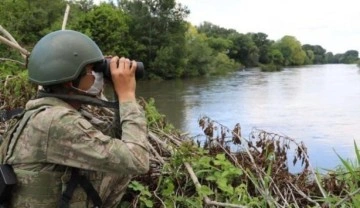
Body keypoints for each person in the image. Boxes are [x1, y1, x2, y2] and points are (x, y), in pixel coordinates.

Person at [0, 30, 149, 207]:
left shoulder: (46, 110)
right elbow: (137, 160)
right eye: (91, 71)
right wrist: (127, 96)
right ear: (69, 81)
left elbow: (115, 138)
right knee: (122, 166)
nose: (97, 76)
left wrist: (118, 92)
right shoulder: (56, 121)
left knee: (118, 165)